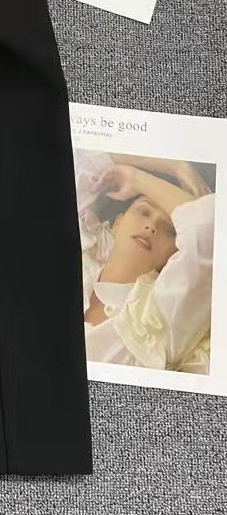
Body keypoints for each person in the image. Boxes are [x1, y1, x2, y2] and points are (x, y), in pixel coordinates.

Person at [75, 150, 214, 373]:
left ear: (174, 254)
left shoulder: (162, 316)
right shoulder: (84, 255)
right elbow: (82, 162)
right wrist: (177, 166)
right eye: (144, 211)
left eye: (170, 230)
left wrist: (138, 179)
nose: (151, 227)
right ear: (117, 223)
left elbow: (210, 229)